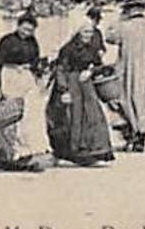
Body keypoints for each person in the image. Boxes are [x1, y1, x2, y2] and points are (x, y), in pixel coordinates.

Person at [0, 11, 50, 172]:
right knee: (9, 114)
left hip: (27, 78)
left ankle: (26, 153)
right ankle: (6, 154)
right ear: (18, 26)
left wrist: (40, 72)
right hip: (9, 76)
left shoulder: (33, 42)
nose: (26, 33)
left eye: (30, 30)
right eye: (24, 29)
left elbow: (35, 62)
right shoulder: (6, 41)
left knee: (29, 116)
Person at [46, 22, 116, 165]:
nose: (88, 35)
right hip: (71, 83)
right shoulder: (68, 49)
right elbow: (61, 69)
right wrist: (63, 90)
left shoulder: (92, 48)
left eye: (90, 32)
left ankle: (93, 153)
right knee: (73, 117)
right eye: (85, 32)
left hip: (86, 85)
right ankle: (72, 154)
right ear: (78, 33)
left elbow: (98, 65)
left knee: (93, 116)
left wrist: (90, 71)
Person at [105, 0, 145, 152]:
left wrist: (119, 19)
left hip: (128, 71)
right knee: (144, 101)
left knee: (124, 100)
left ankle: (132, 133)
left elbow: (109, 37)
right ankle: (141, 133)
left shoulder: (124, 26)